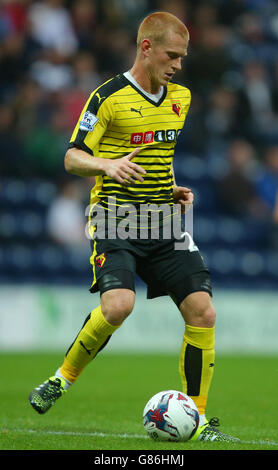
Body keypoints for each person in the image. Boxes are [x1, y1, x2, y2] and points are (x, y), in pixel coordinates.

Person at [29, 11, 238, 442]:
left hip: (163, 220)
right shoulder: (107, 97)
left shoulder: (181, 97)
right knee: (118, 306)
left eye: (182, 56)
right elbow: (72, 157)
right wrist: (106, 163)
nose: (178, 64)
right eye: (172, 55)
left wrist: (172, 188)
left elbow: (159, 155)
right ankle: (61, 379)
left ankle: (197, 420)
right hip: (115, 217)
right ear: (146, 47)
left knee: (204, 311)